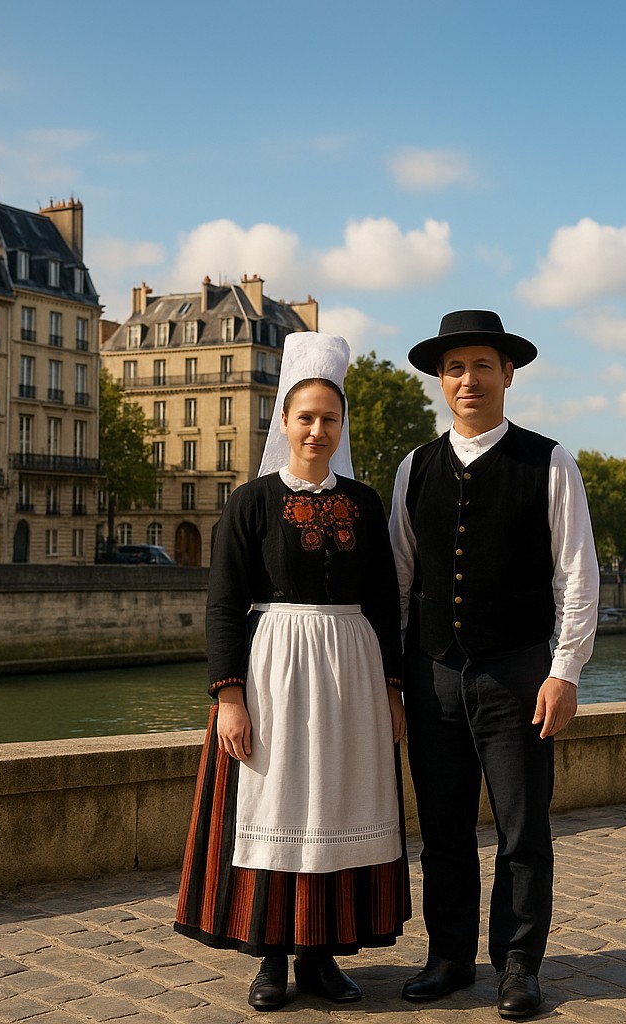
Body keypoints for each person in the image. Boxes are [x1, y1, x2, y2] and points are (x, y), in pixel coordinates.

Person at [174, 332, 410, 1011]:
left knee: (335, 801)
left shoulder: (365, 504)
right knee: (275, 802)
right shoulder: (251, 501)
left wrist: (392, 688)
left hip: (352, 674)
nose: (316, 430)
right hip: (274, 666)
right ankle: (269, 958)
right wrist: (229, 696)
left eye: (329, 419)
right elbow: (222, 600)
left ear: (341, 427)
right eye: (305, 417)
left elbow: (386, 602)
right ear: (283, 421)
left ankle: (321, 955)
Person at [389, 309, 598, 1020]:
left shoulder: (550, 461)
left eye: (482, 365)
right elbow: (400, 580)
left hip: (517, 672)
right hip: (433, 672)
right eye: (455, 368)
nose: (468, 379)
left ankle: (517, 965)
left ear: (508, 375)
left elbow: (577, 573)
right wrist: (395, 677)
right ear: (440, 381)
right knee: (442, 828)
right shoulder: (413, 467)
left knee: (521, 829)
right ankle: (448, 956)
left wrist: (565, 670)